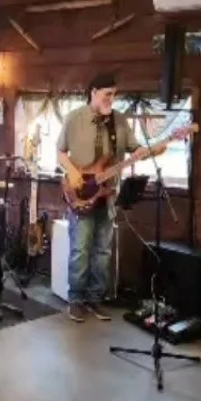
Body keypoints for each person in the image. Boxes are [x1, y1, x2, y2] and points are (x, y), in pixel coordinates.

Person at [57, 72, 148, 323]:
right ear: (94, 92)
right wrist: (73, 172)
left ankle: (96, 298)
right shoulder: (73, 119)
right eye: (108, 94)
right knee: (80, 250)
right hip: (80, 193)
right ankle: (76, 300)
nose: (112, 99)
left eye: (114, 94)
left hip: (107, 195)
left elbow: (136, 148)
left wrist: (148, 151)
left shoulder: (119, 121)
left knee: (103, 251)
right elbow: (60, 152)